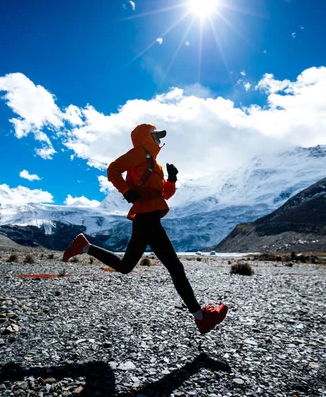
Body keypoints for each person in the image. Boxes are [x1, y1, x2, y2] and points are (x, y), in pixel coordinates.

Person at [63, 123, 228, 334]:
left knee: (126, 266)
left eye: (159, 136)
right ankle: (201, 317)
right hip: (147, 218)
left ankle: (84, 246)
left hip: (148, 217)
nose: (159, 140)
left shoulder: (155, 164)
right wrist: (126, 190)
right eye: (155, 136)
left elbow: (162, 196)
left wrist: (172, 180)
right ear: (145, 137)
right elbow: (113, 169)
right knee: (175, 268)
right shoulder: (139, 153)